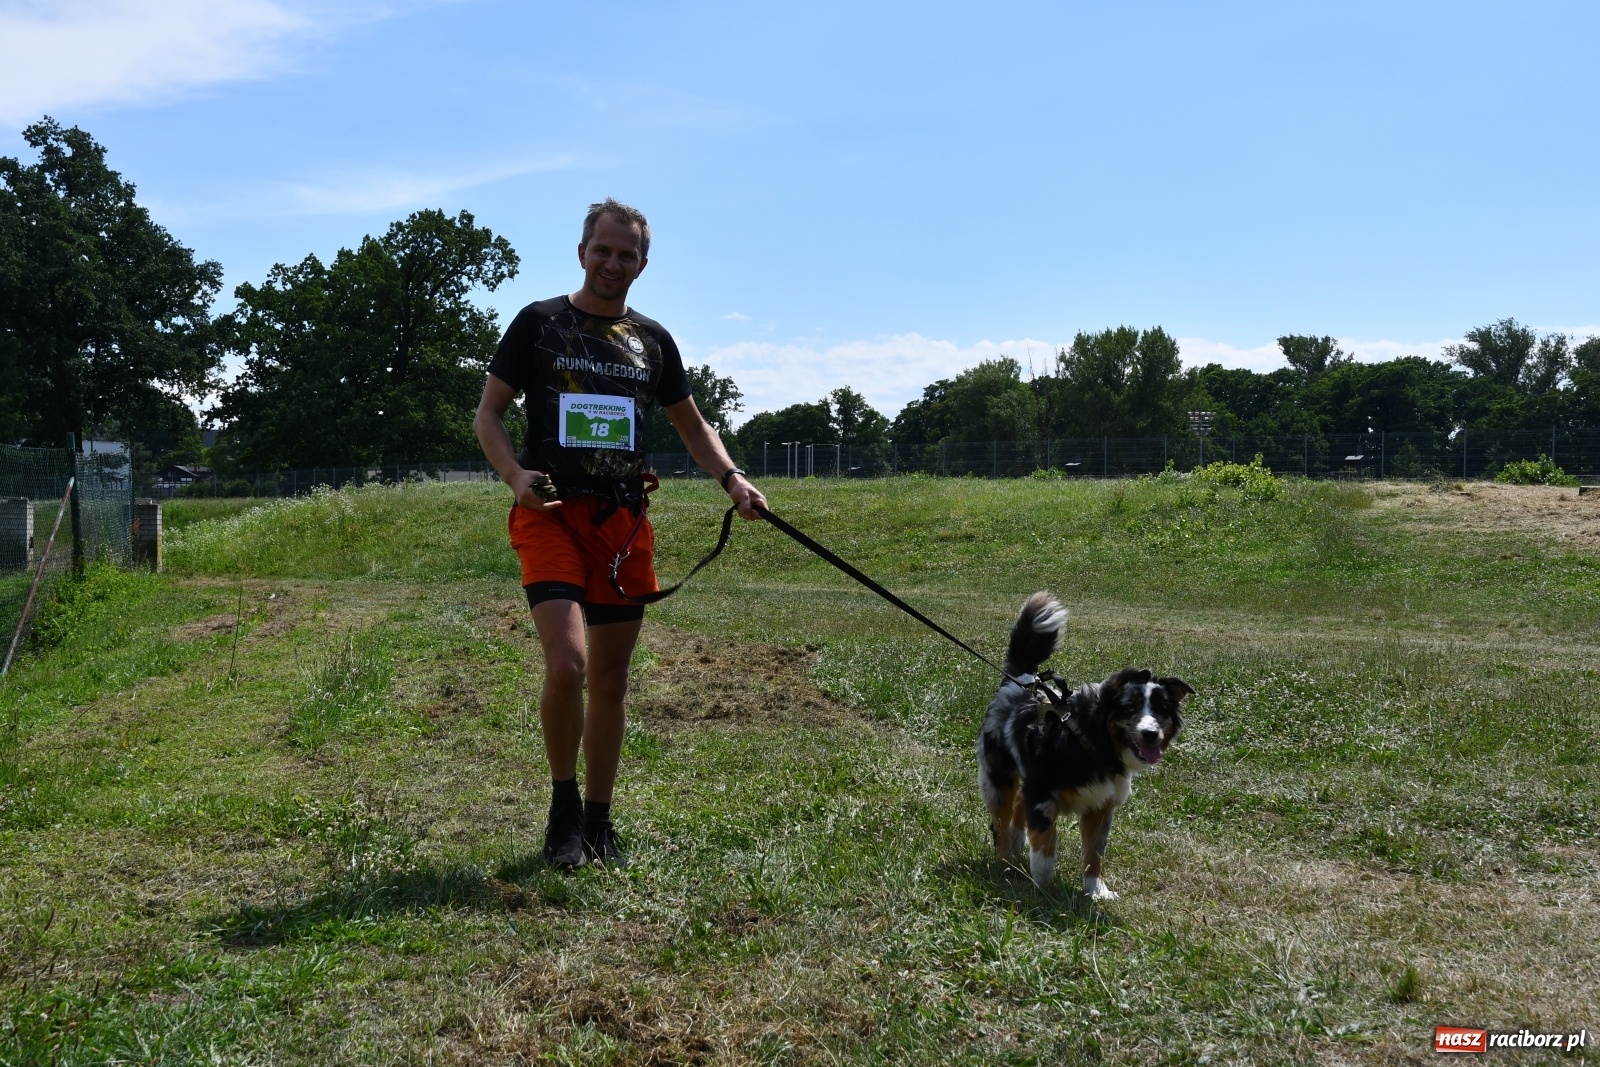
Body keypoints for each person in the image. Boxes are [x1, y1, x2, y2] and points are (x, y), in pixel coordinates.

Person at [474, 198, 766, 870]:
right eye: (602, 250)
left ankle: (601, 823)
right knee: (569, 665)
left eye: (626, 253)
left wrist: (733, 480)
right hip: (549, 515)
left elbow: (693, 426)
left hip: (622, 524)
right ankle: (563, 809)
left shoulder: (653, 341)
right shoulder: (539, 324)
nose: (612, 263)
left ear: (642, 262)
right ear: (582, 252)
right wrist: (516, 476)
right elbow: (488, 415)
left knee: (609, 678)